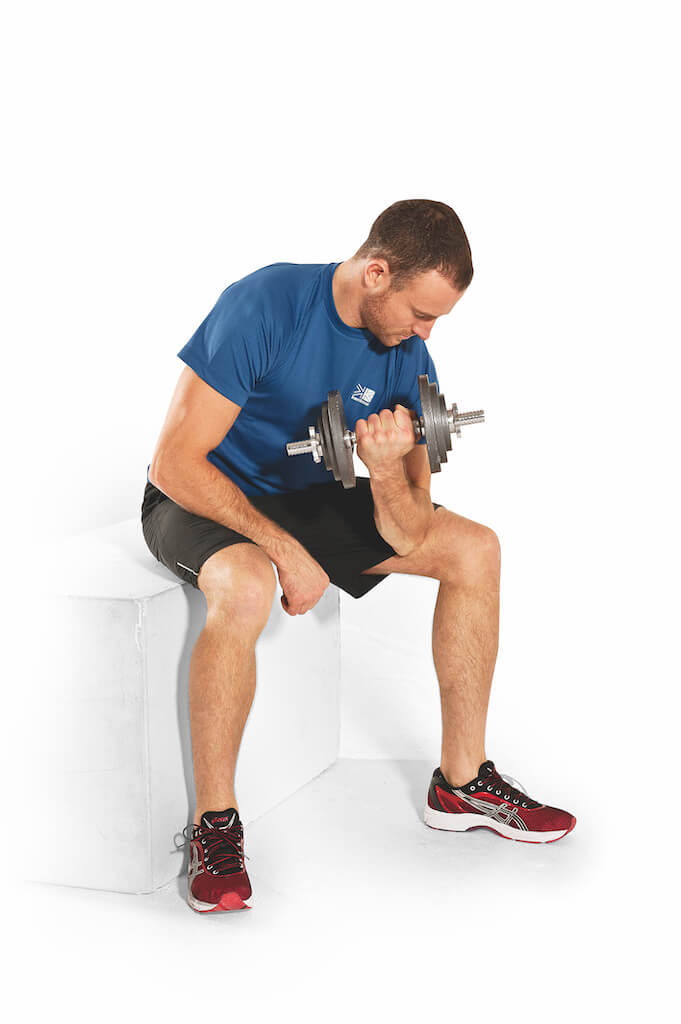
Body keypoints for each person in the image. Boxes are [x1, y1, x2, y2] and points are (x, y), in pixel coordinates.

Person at [141, 199, 576, 914]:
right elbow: (174, 462)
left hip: (307, 498)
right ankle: (213, 826)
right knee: (247, 584)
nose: (426, 332)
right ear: (376, 272)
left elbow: (407, 533)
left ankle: (460, 783)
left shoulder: (408, 356)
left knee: (474, 550)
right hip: (200, 496)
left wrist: (382, 469)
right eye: (420, 311)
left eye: (437, 320)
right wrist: (286, 552)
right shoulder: (266, 304)